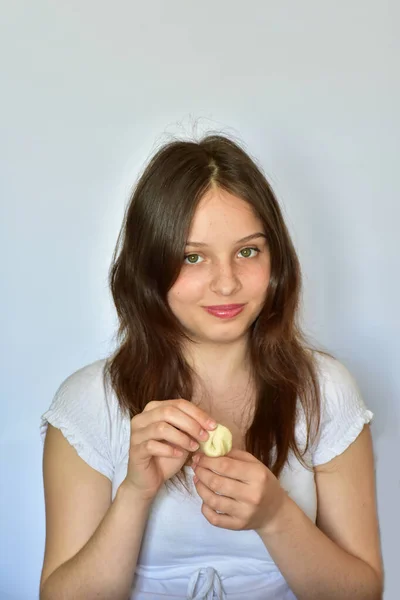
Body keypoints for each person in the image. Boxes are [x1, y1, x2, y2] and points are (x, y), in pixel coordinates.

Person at [39, 134, 383, 600]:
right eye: (192, 256)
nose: (227, 284)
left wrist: (276, 516)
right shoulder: (87, 403)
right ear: (149, 267)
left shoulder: (326, 390)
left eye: (247, 251)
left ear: (275, 258)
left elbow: (362, 592)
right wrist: (136, 493)